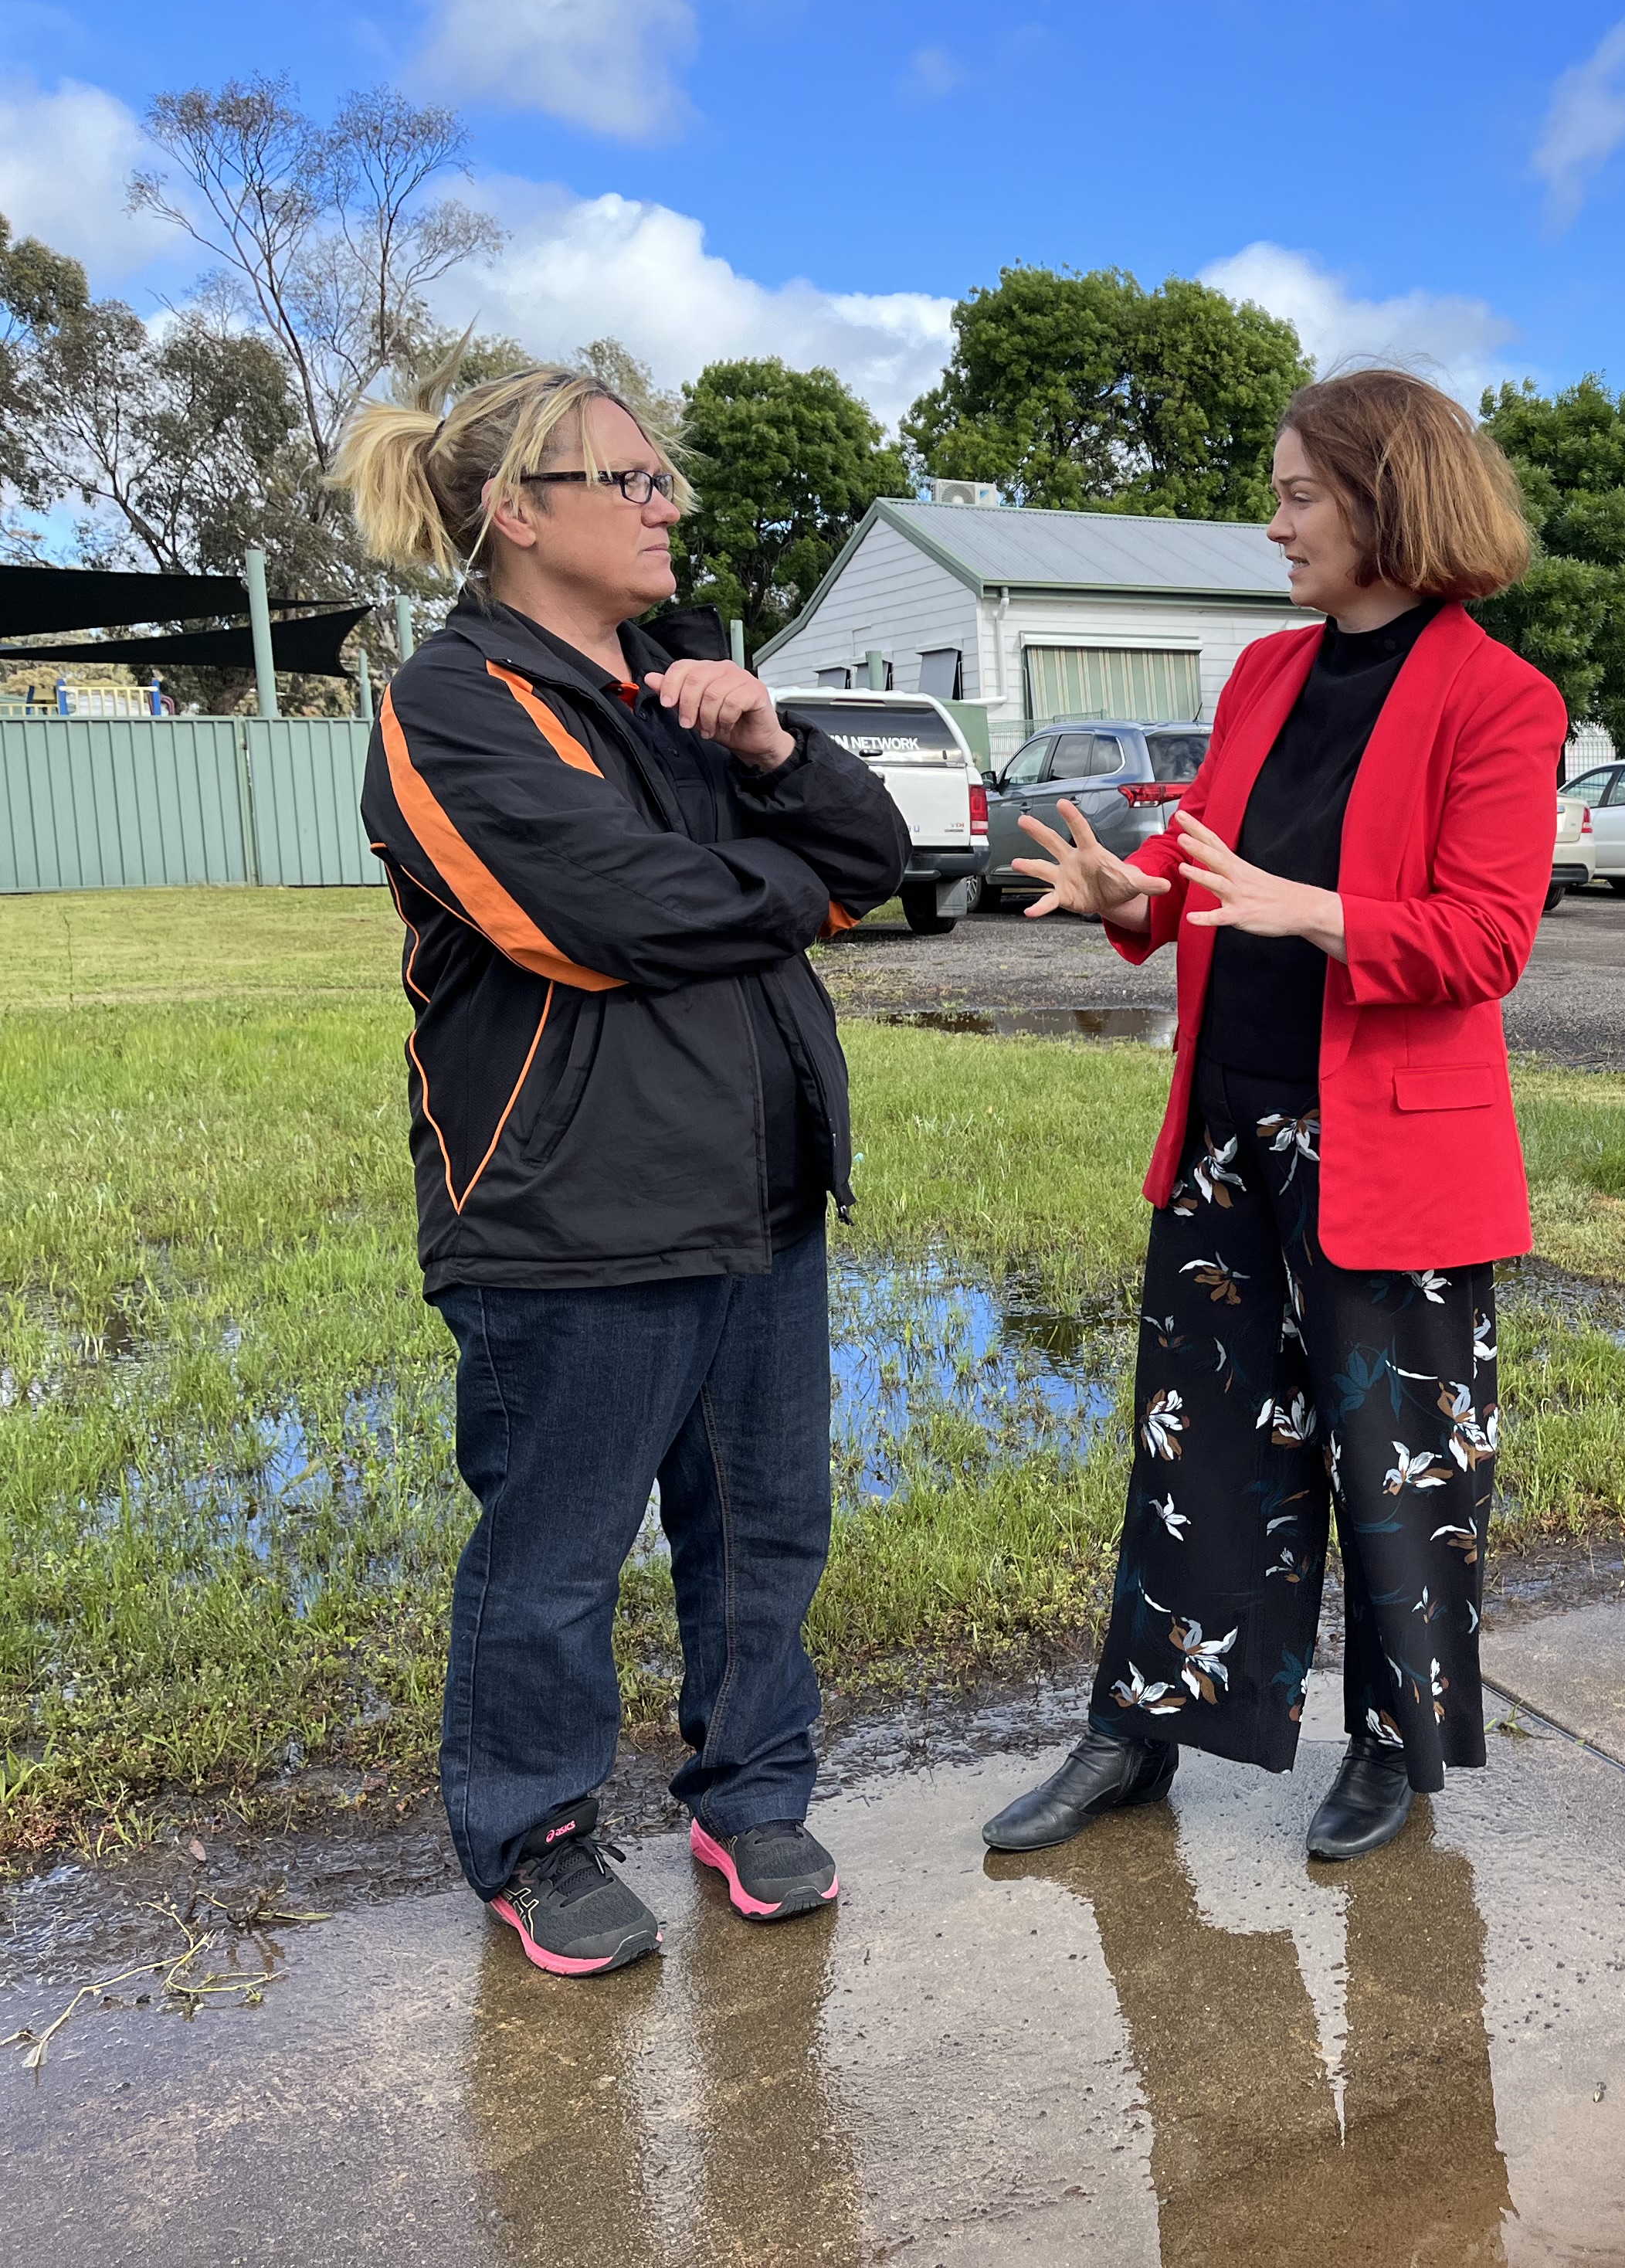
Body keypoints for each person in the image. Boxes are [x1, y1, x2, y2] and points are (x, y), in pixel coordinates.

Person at [334, 359, 908, 1978]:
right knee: (553, 1556)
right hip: (567, 1214)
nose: (670, 509)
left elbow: (873, 857)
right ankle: (534, 1833)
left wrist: (779, 748)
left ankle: (753, 1792)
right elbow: (619, 919)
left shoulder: (690, 682)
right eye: (632, 482)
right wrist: (776, 877)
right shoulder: (448, 710)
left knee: (767, 1532)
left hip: (759, 1192)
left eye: (666, 482)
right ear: (519, 514)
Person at [982, 367, 1562, 1864]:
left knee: (1402, 1465)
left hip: (1392, 1152)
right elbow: (1206, 871)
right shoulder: (1262, 679)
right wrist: (1136, 897)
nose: (1276, 523)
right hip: (1231, 1127)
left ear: (1389, 499)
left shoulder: (1500, 698)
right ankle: (1142, 1730)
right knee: (1198, 1448)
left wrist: (1306, 909)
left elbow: (1486, 942)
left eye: (1299, 495)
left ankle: (1393, 1744)